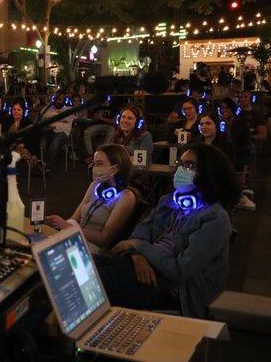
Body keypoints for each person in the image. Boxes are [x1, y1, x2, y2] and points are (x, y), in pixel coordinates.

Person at [95, 143, 240, 318]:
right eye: (181, 164)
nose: (181, 170)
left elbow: (179, 271)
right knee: (87, 266)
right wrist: (137, 256)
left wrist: (139, 246)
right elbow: (140, 232)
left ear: (207, 173)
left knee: (92, 284)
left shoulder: (215, 219)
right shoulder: (169, 201)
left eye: (189, 165)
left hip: (175, 290)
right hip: (144, 269)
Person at [45, 144, 137, 254]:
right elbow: (74, 219)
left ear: (115, 168)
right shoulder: (95, 185)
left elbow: (104, 239)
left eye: (100, 164)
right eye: (94, 163)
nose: (95, 168)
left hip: (94, 250)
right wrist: (57, 224)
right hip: (75, 237)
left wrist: (66, 226)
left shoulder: (126, 196)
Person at [39, 91, 74, 170]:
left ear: (64, 100)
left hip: (62, 133)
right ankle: (40, 163)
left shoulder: (69, 109)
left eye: (60, 99)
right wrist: (58, 118)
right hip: (49, 130)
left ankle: (47, 166)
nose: (58, 101)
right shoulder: (48, 108)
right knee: (42, 145)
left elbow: (66, 119)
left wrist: (51, 118)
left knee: (55, 142)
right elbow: (42, 118)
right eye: (56, 98)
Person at [83, 96, 117, 163]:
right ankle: (91, 155)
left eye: (107, 100)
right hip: (96, 125)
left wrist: (101, 118)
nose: (106, 102)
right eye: (104, 101)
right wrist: (96, 116)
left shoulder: (113, 108)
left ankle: (103, 154)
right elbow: (93, 119)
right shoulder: (98, 107)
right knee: (86, 132)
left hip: (108, 126)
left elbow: (114, 122)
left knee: (112, 130)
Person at [4, 98, 38, 165]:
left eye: (19, 110)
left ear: (23, 111)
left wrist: (23, 144)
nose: (16, 112)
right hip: (10, 148)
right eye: (14, 109)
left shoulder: (28, 123)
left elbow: (32, 139)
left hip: (25, 147)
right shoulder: (7, 121)